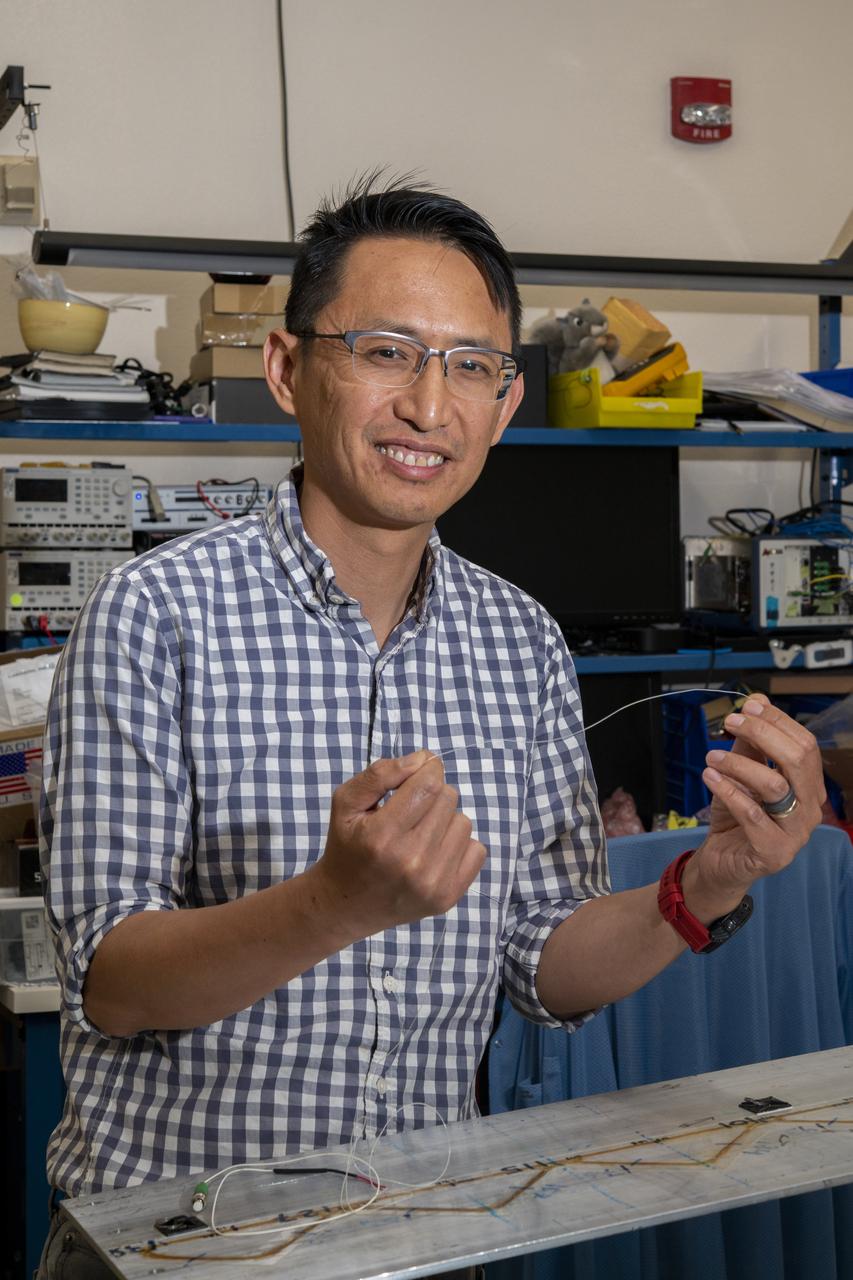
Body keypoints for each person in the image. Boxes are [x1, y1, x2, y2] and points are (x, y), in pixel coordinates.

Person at [38, 177, 824, 1276]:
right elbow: (112, 981)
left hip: (421, 1240)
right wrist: (330, 903)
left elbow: (543, 961)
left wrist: (706, 880)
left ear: (506, 404)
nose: (428, 405)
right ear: (287, 369)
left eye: (470, 366)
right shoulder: (154, 616)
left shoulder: (520, 642)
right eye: (385, 351)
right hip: (185, 1254)